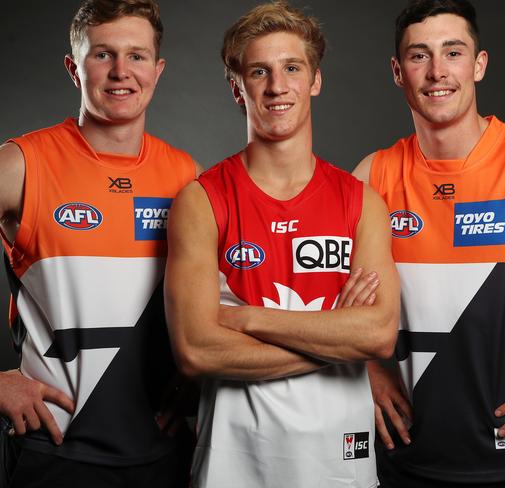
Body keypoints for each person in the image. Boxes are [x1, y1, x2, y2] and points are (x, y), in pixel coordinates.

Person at [0, 0, 201, 486]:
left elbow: (209, 302)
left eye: (137, 56)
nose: (121, 72)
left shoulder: (188, 178)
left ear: (158, 70)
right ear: (73, 68)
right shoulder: (21, 165)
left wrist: (193, 381)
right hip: (54, 451)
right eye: (102, 55)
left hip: (162, 452)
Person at [164, 2, 400, 487]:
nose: (277, 86)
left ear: (315, 80)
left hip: (341, 461)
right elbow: (195, 351)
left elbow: (378, 335)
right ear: (237, 88)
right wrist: (338, 337)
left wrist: (246, 319)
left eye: (292, 67)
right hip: (235, 463)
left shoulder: (363, 202)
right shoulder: (201, 201)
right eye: (259, 71)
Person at [352, 0, 505, 486]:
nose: (437, 71)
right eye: (419, 56)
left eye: (453, 52)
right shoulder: (373, 176)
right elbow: (328, 295)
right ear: (398, 72)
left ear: (478, 64)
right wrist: (368, 370)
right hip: (407, 462)